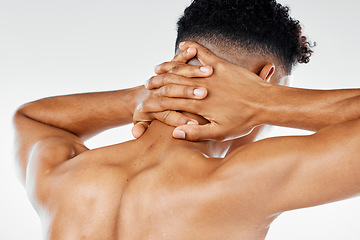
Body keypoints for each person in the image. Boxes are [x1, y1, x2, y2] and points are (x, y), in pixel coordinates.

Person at [13, 0, 360, 239]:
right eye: (277, 88)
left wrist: (137, 97)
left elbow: (31, 117)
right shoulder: (241, 182)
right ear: (265, 77)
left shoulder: (62, 176)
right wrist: (268, 101)